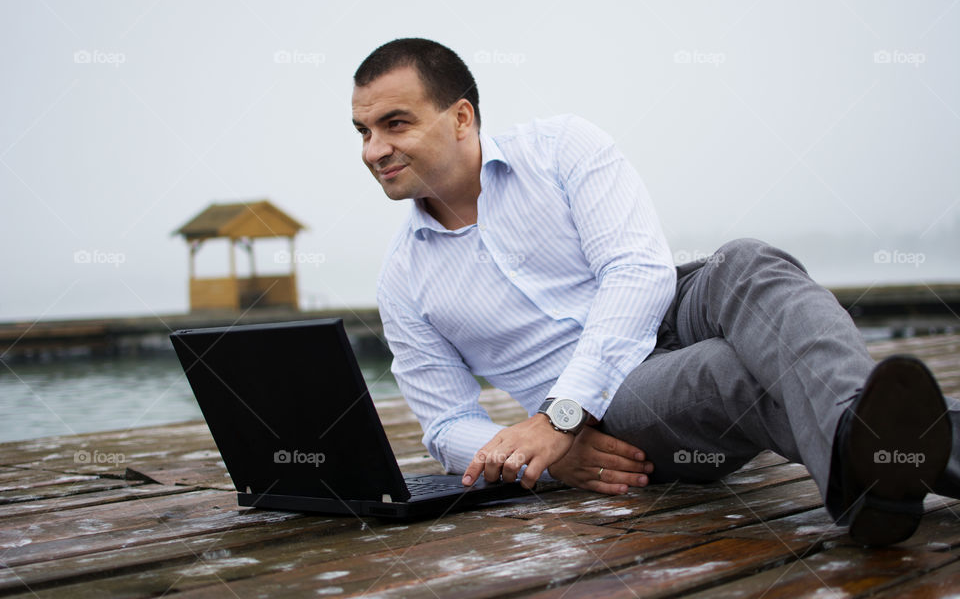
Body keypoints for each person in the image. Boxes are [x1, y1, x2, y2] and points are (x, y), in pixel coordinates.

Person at [350, 37, 960, 546]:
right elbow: (446, 424)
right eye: (363, 131)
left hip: (664, 308)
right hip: (618, 402)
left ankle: (873, 469)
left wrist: (559, 418)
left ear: (460, 117)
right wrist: (544, 445)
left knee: (745, 260)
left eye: (393, 123)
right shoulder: (404, 281)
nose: (374, 150)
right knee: (730, 370)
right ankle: (887, 462)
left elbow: (638, 272)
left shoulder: (561, 147)